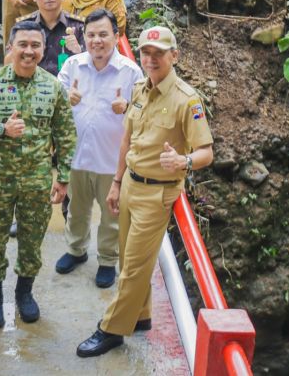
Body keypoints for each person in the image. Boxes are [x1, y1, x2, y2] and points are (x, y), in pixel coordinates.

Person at [75, 25, 215, 358]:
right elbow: (127, 140)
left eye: (159, 53)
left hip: (158, 194)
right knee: (127, 260)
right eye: (146, 53)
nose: (151, 60)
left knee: (136, 267)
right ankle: (140, 315)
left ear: (174, 56)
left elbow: (206, 152)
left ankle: (111, 328)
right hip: (131, 186)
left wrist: (183, 160)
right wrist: (117, 181)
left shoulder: (186, 100)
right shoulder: (139, 89)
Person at [0, 20, 75, 328]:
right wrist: (2, 129)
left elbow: (66, 134)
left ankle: (24, 293)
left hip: (37, 180)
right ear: (10, 48)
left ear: (43, 49)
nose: (29, 51)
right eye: (23, 45)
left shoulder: (53, 87)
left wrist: (64, 177)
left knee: (31, 241)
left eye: (35, 45)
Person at [55, 9, 142, 288]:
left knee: (111, 215)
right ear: (84, 36)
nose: (96, 41)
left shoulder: (131, 72)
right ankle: (76, 250)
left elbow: (145, 113)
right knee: (77, 209)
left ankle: (106, 259)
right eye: (91, 35)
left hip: (111, 160)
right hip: (77, 156)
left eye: (103, 34)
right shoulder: (72, 66)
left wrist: (128, 108)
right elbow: (55, 104)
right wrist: (64, 98)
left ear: (116, 37)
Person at [18, 0, 85, 76]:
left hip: (68, 89)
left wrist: (78, 52)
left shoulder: (79, 26)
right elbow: (11, 65)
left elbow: (92, 69)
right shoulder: (22, 28)